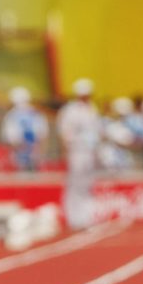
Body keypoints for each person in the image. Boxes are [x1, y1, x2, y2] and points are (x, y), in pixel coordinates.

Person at [56, 78, 102, 230]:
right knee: (75, 184)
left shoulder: (92, 109)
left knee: (87, 184)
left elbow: (96, 131)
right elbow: (65, 133)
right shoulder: (71, 111)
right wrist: (67, 149)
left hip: (90, 151)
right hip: (77, 151)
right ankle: (73, 218)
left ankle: (86, 217)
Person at [1, 86, 49, 171]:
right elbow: (43, 135)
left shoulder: (11, 115)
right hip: (35, 152)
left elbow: (10, 139)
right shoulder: (37, 113)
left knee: (20, 181)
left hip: (19, 154)